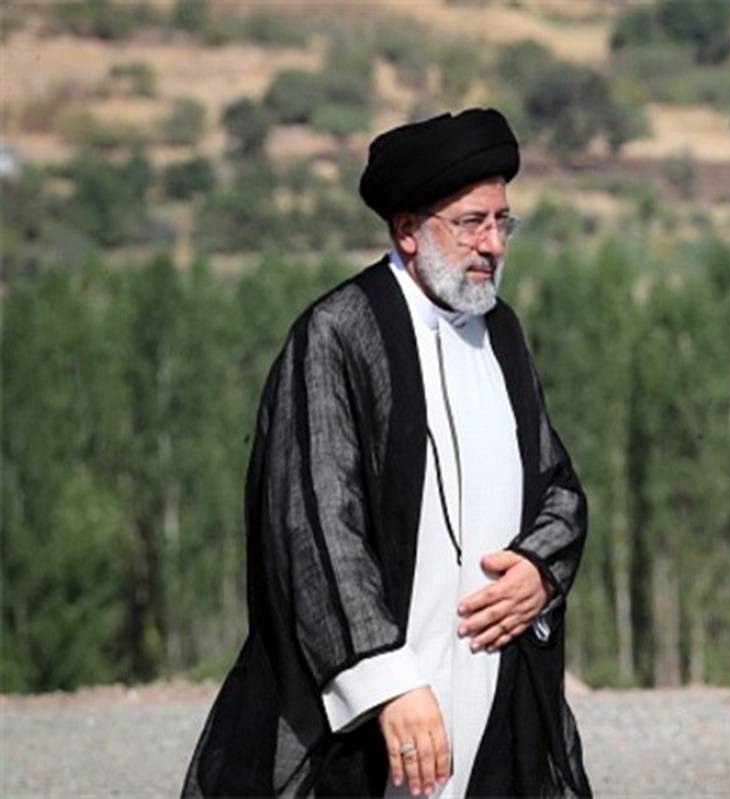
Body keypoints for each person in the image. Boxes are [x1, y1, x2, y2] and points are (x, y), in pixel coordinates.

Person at [183, 108, 591, 798]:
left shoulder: (501, 333)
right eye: (471, 223)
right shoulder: (340, 334)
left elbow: (557, 484)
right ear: (407, 230)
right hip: (380, 713)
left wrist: (539, 568)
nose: (493, 244)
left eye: (503, 221)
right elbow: (315, 528)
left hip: (495, 691)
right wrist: (387, 683)